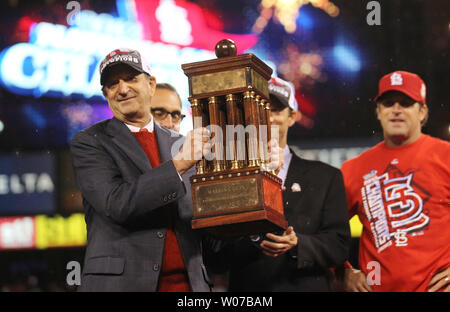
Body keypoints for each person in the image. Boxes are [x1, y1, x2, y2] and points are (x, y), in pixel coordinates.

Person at [70, 48, 213, 292]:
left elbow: (201, 222)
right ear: (106, 94)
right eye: (113, 83)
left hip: (188, 288)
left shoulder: (181, 144)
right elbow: (117, 203)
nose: (122, 89)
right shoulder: (90, 142)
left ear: (151, 84)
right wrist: (179, 165)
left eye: (131, 78)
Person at [210, 77, 351, 291]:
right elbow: (215, 251)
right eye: (259, 108)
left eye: (275, 110)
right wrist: (252, 234)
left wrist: (298, 244)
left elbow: (339, 246)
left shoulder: (326, 177)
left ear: (292, 116)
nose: (267, 117)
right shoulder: (230, 177)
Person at [340, 70, 450, 292]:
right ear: (378, 112)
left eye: (406, 103)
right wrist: (343, 272)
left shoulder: (446, 156)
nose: (397, 110)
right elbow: (326, 229)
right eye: (389, 103)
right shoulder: (354, 169)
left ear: (423, 112)